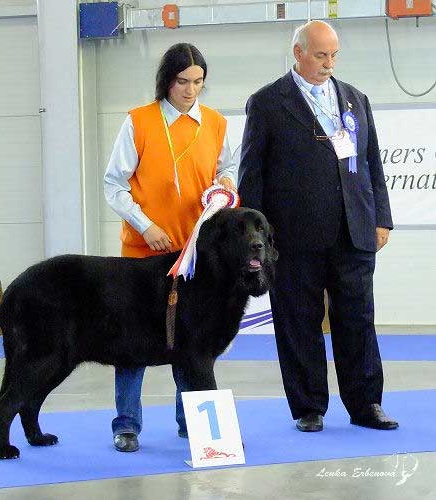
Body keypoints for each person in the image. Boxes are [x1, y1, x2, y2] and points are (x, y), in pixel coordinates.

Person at [238, 20, 398, 432]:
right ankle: (309, 407)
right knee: (298, 321)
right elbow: (250, 176)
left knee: (359, 319)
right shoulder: (268, 103)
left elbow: (372, 164)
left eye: (334, 55)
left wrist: (381, 218)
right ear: (298, 53)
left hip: (354, 231)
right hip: (293, 238)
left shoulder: (355, 99)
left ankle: (366, 404)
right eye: (321, 55)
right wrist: (256, 239)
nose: (329, 63)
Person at [104, 43, 237, 451]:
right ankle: (126, 425)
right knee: (130, 344)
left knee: (192, 343)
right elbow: (114, 184)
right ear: (167, 80)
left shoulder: (215, 124)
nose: (190, 90)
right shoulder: (139, 122)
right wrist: (146, 227)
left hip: (194, 254)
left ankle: (191, 425)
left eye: (198, 82)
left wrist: (228, 183)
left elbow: (226, 166)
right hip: (144, 254)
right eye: (182, 81)